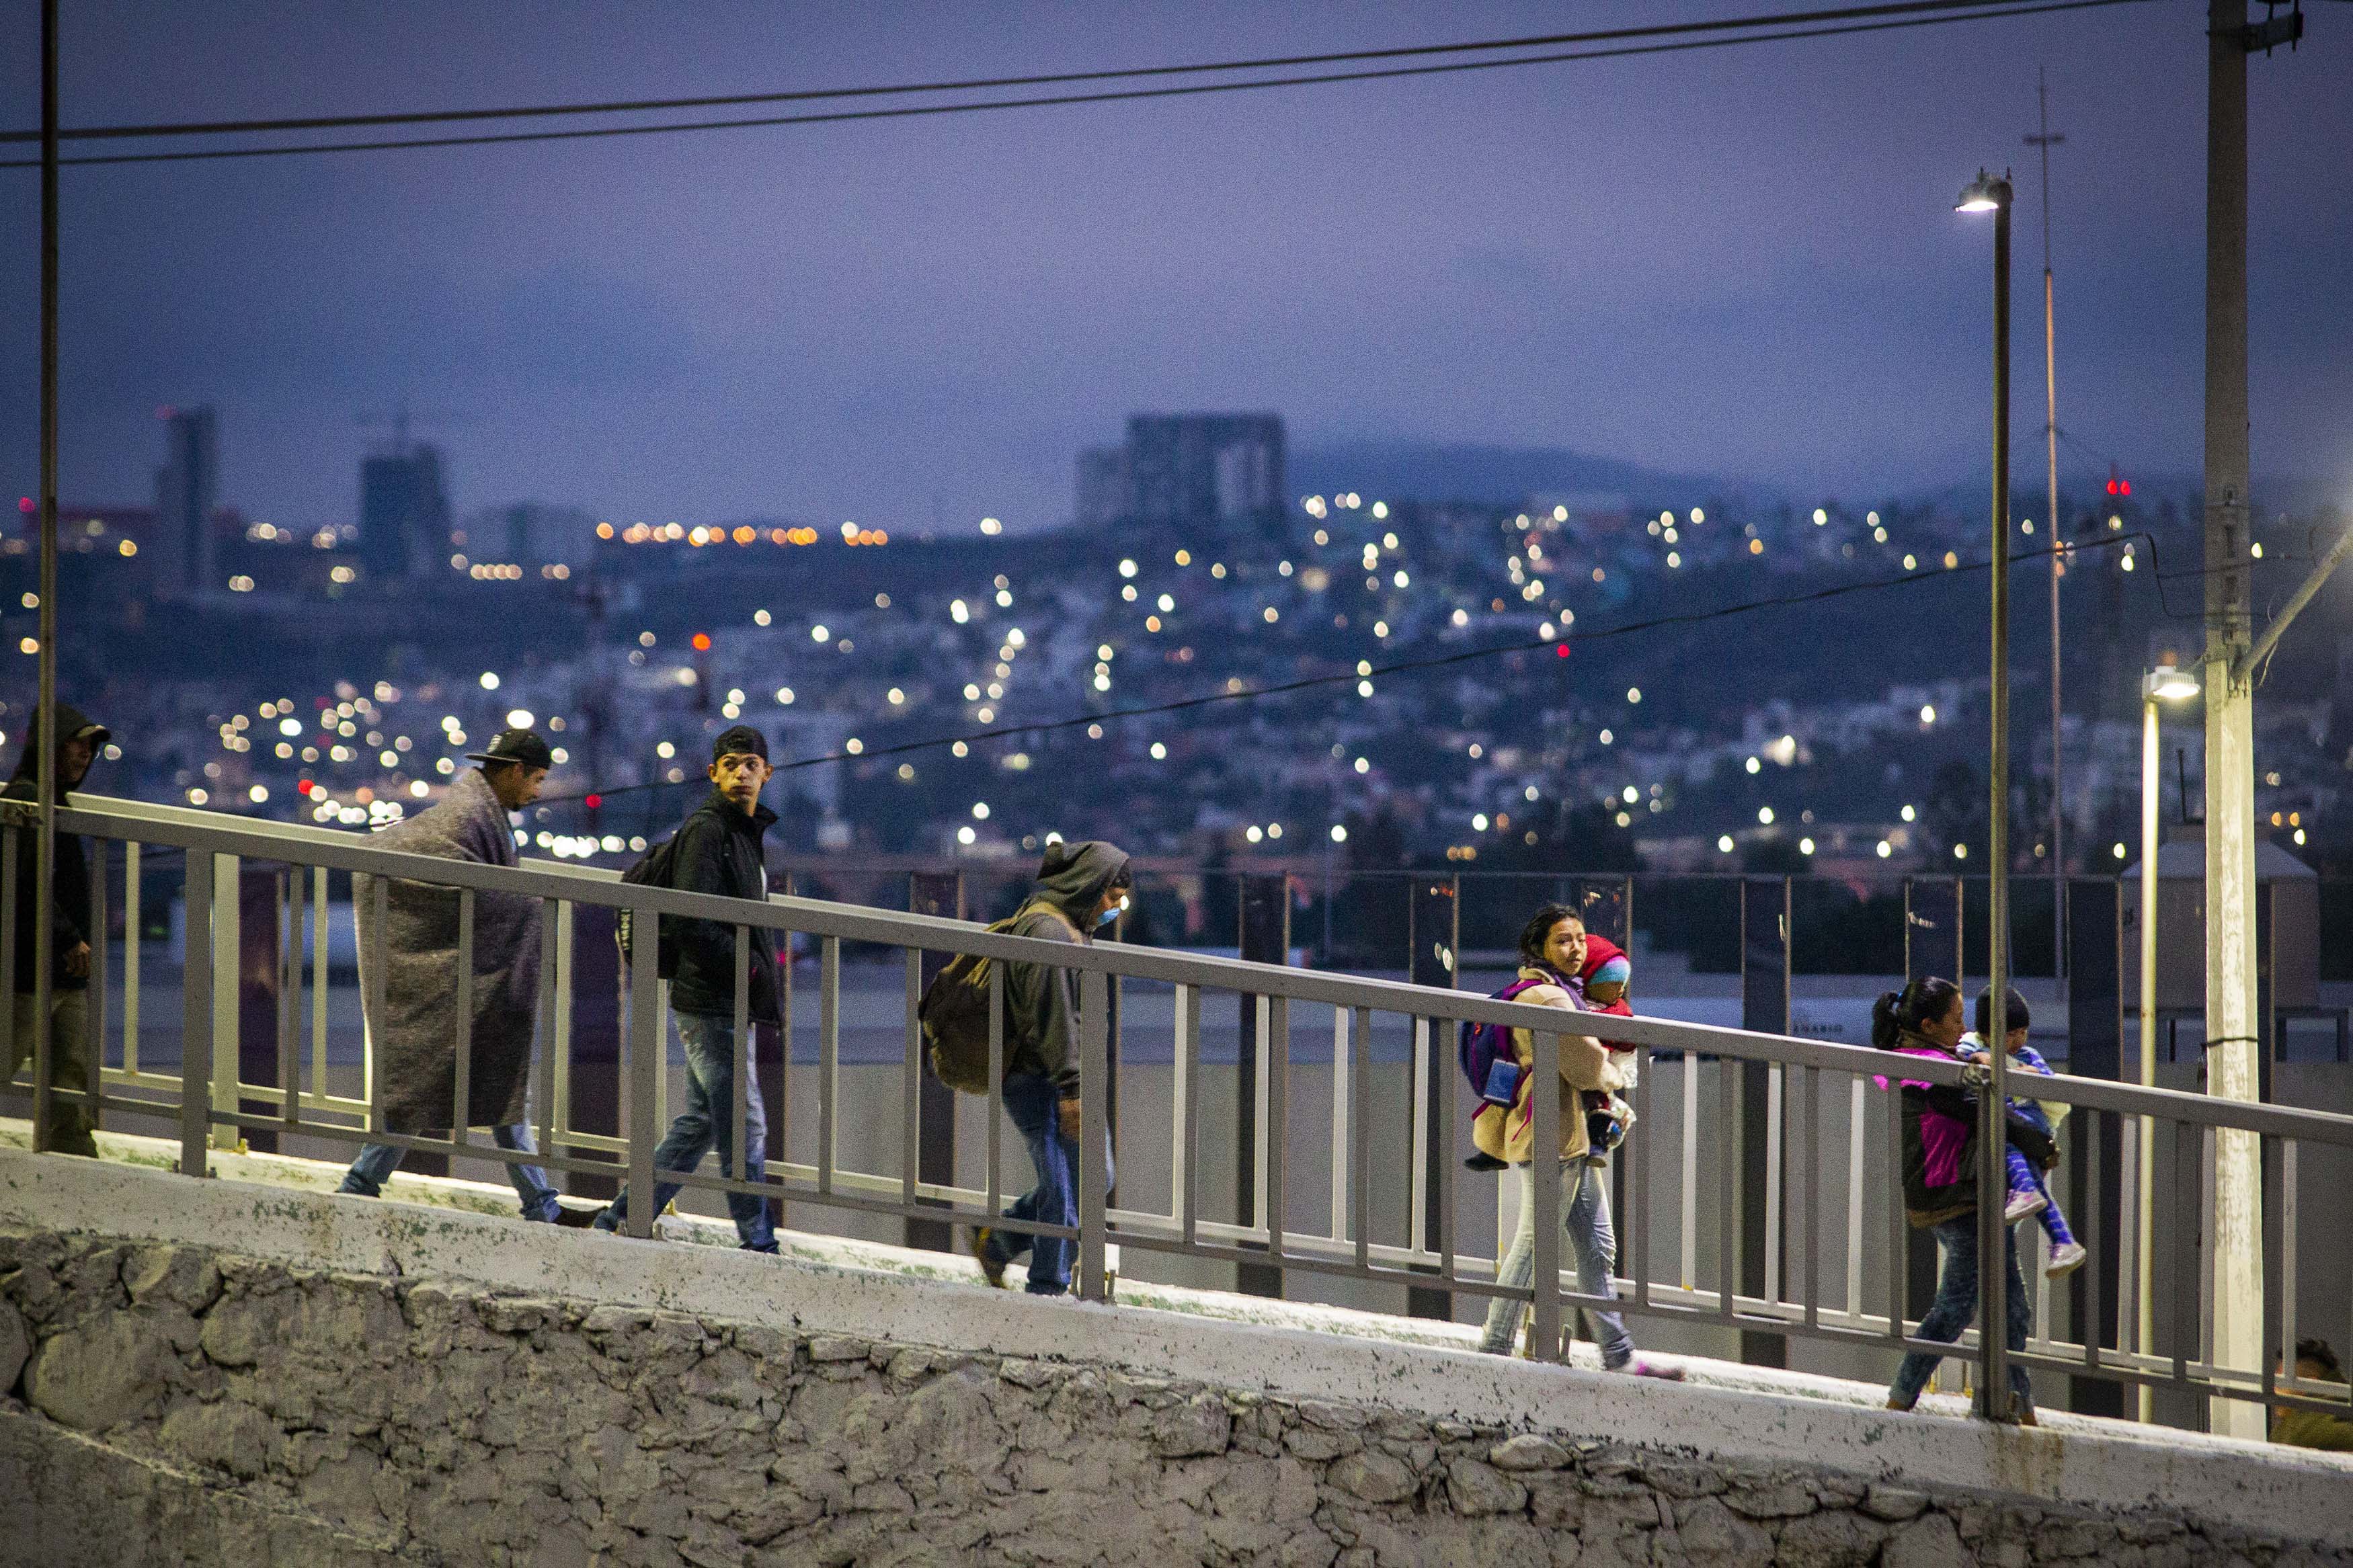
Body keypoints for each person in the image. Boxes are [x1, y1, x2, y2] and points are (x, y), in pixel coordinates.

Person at [340, 729, 579, 1223]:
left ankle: (539, 1202)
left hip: (458, 970)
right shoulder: (470, 816)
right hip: (447, 969)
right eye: (535, 779)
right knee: (467, 1083)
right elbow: (452, 880)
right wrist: (529, 910)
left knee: (470, 1084)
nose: (536, 792)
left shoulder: (474, 814)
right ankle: (539, 1204)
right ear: (514, 770)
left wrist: (514, 906)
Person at [1472, 903, 1680, 1377]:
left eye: (1581, 939)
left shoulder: (1555, 991)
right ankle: (1496, 1343)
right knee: (1536, 1239)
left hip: (1567, 1134)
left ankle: (1619, 1353)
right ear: (1539, 947)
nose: (1576, 948)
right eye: (1563, 940)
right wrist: (1612, 1075)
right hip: (1552, 1132)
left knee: (1596, 1245)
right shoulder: (1551, 1000)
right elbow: (1586, 1063)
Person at [594, 725, 782, 1251]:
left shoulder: (742, 832)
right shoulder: (709, 829)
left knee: (702, 1122)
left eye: (751, 764)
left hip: (723, 997)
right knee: (744, 1124)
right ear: (713, 773)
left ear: (767, 773)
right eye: (731, 764)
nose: (742, 773)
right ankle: (759, 1240)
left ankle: (621, 1219)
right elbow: (691, 917)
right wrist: (745, 968)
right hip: (713, 998)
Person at [1877, 976, 2054, 1421]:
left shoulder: (1939, 1057)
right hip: (1954, 1194)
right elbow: (1978, 1108)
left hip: (1967, 1192)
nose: (1964, 1027)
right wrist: (2035, 1139)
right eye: (1956, 1019)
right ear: (1929, 1024)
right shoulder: (1928, 1069)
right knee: (1959, 1305)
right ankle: (1903, 1393)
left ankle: (2015, 1400)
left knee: (2012, 1304)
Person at [969, 839, 1129, 1296]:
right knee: (1061, 1190)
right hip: (1039, 1077)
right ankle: (1048, 1288)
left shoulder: (1069, 924)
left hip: (1062, 1073)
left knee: (1094, 1177)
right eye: (1112, 897)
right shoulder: (1049, 932)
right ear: (1089, 885)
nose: (1116, 908)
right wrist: (1072, 1089)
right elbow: (1054, 1018)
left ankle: (999, 1239)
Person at [3, 702, 110, 1157]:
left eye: (90, 747)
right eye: (75, 743)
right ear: (49, 745)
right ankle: (69, 1147)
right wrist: (68, 937)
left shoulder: (50, 801)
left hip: (61, 968)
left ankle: (71, 1151)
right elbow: (24, 884)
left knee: (69, 1072)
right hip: (32, 967)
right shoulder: (24, 802)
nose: (84, 755)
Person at [1960, 987, 2085, 1278]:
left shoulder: (2029, 1054)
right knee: (2039, 1191)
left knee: (2007, 1141)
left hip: (2029, 1121)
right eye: (2010, 1033)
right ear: (1986, 1034)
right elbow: (1966, 1055)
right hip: (2014, 1122)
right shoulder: (1971, 1046)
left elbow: (2043, 1080)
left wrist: (1999, 1063)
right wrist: (2004, 1066)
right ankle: (2064, 1241)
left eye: (2023, 1032)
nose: (2018, 1040)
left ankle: (2025, 1191)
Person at [2271, 1339, 2353, 1452]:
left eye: (2281, 1384)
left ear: (2309, 1384)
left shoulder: (2301, 1433)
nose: (2274, 1390)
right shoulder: (2340, 1409)